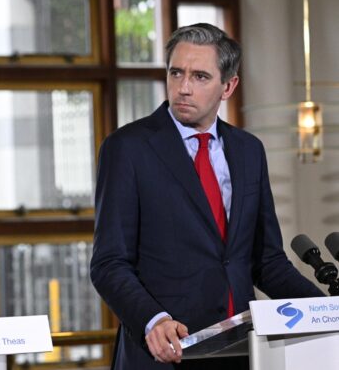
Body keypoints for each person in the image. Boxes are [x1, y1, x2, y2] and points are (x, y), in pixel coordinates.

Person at [90, 23, 324, 370]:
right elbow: (109, 263)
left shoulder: (249, 151)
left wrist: (325, 314)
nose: (183, 88)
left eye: (200, 77)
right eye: (176, 73)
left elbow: (266, 262)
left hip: (243, 353)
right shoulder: (127, 149)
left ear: (228, 86)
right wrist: (153, 320)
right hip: (163, 355)